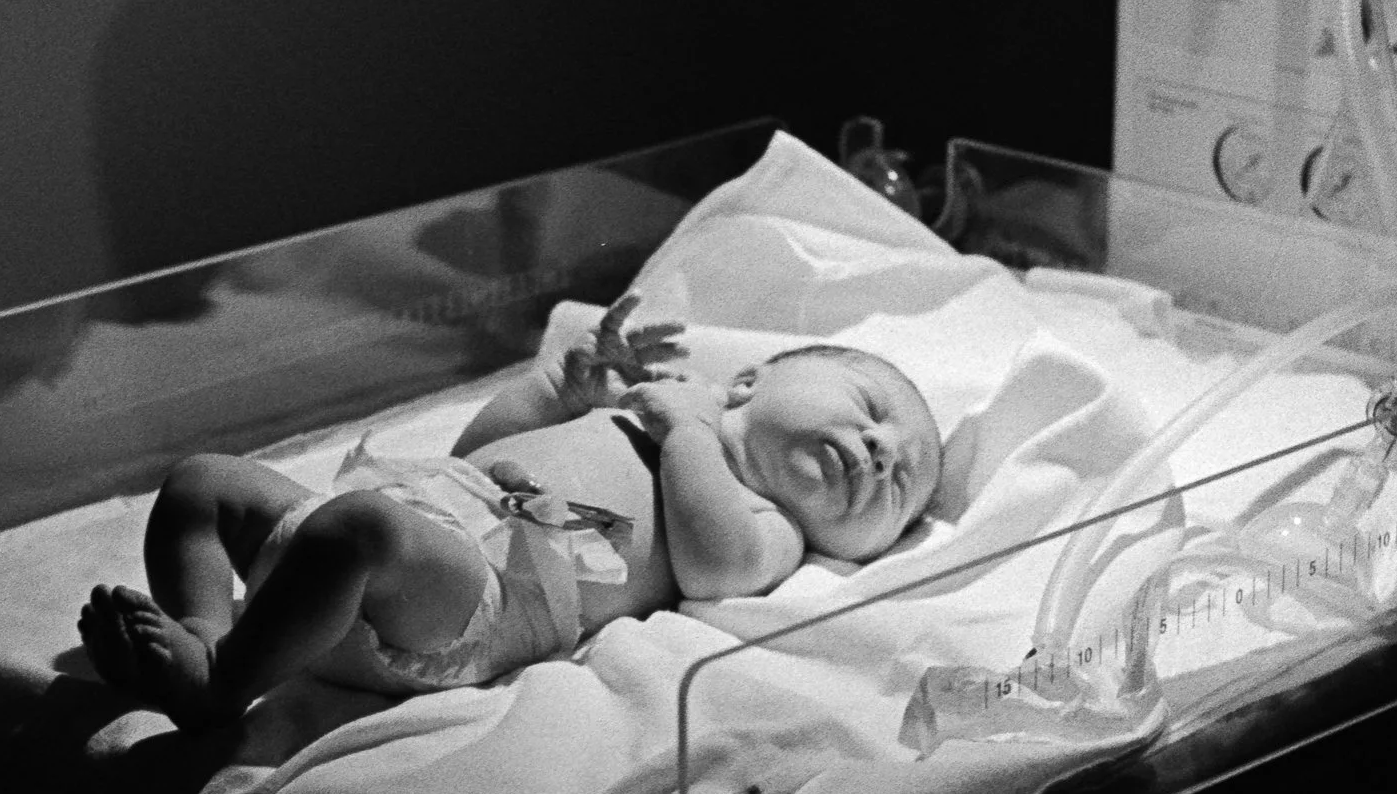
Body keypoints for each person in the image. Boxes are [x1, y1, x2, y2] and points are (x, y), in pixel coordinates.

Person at [77, 295, 943, 730]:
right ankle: (199, 629)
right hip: (420, 513)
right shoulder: (636, 411)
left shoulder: (765, 518)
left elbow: (720, 566)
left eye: (899, 484)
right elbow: (474, 458)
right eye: (870, 406)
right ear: (751, 380)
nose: (879, 450)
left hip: (476, 597)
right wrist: (551, 393)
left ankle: (223, 683)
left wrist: (688, 435)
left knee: (360, 530)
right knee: (201, 480)